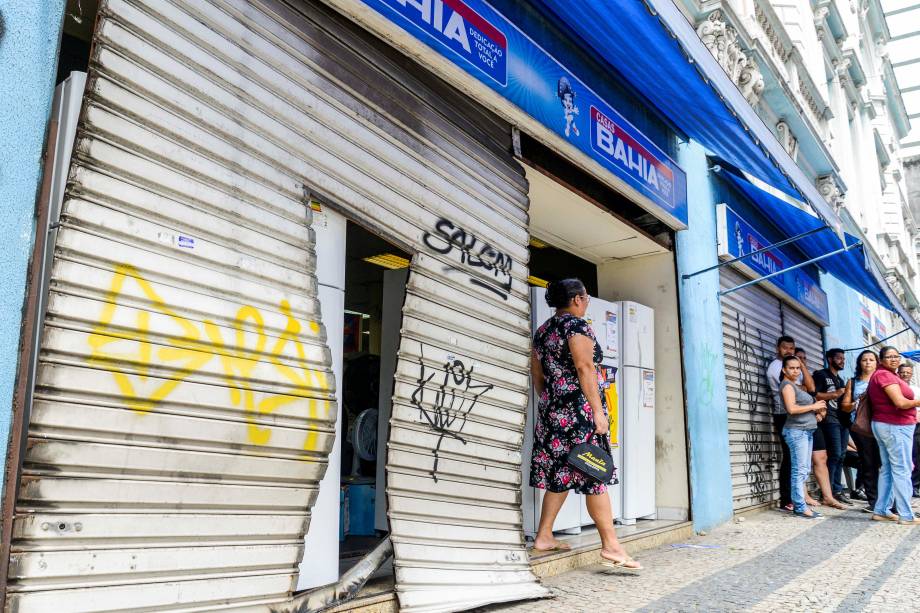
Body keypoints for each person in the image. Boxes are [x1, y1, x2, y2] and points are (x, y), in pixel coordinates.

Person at [530, 279, 641, 569]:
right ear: (577, 299)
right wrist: (597, 411)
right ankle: (612, 546)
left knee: (561, 473)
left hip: (552, 412)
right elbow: (585, 367)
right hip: (580, 414)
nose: (587, 301)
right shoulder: (577, 326)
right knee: (594, 472)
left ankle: (543, 536)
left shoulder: (542, 332)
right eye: (586, 297)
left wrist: (554, 403)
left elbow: (538, 378)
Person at [866, 346, 920, 524]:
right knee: (902, 469)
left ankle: (881, 510)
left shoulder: (889, 375)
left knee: (889, 469)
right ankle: (906, 515)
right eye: (889, 357)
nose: (894, 359)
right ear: (881, 360)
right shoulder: (884, 375)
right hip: (894, 426)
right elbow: (900, 403)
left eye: (896, 356)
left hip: (890, 426)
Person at [767, 336, 815, 511]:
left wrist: (801, 365)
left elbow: (810, 388)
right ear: (778, 348)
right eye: (785, 348)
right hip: (784, 415)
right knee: (790, 459)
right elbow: (792, 391)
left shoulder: (794, 367)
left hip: (800, 418)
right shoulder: (776, 367)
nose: (789, 351)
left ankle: (798, 497)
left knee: (798, 461)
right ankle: (787, 499)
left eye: (792, 348)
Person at [779, 355, 826, 518]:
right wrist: (813, 406)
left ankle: (801, 504)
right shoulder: (787, 386)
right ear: (784, 369)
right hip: (796, 431)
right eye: (791, 368)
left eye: (798, 368)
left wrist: (816, 413)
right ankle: (800, 506)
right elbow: (791, 409)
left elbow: (804, 404)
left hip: (806, 431)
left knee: (804, 469)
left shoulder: (796, 385)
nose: (795, 370)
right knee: (799, 470)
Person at [792, 348, 837, 508]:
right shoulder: (789, 382)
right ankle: (804, 496)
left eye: (804, 358)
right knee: (801, 462)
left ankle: (828, 496)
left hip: (813, 421)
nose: (801, 361)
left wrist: (821, 412)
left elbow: (813, 391)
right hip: (798, 423)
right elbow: (807, 394)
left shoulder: (807, 375)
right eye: (798, 358)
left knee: (821, 457)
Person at [841, 350, 879, 506]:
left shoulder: (881, 379)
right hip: (861, 427)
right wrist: (853, 404)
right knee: (868, 462)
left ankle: (889, 499)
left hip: (881, 424)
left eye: (871, 359)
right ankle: (874, 500)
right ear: (859, 363)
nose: (868, 362)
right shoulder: (853, 381)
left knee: (883, 463)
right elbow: (844, 406)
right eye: (864, 360)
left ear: (877, 362)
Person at [813, 348, 851, 504]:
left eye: (843, 358)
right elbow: (814, 394)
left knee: (841, 455)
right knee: (834, 454)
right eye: (838, 358)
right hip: (828, 419)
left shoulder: (840, 380)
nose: (842, 361)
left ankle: (836, 489)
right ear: (830, 359)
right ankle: (831, 490)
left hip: (842, 421)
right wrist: (834, 394)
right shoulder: (821, 375)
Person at [896, 361, 920, 497]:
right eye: (903, 372)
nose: (905, 374)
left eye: (908, 372)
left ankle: (914, 485)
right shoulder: (894, 387)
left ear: (911, 374)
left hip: (916, 425)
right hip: (899, 424)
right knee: (904, 455)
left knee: (917, 455)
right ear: (898, 373)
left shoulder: (916, 389)